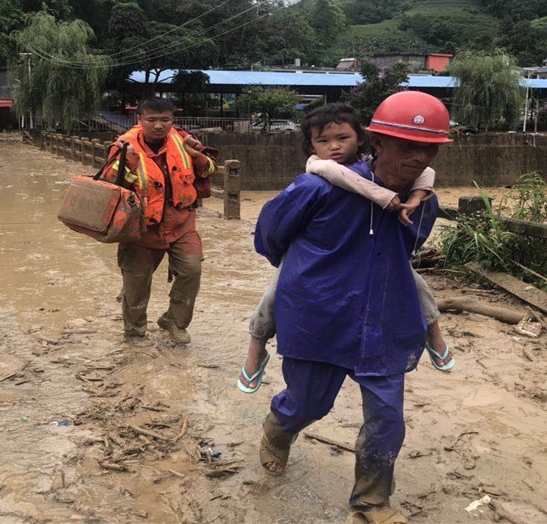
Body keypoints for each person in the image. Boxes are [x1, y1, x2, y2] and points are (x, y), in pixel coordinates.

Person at [254, 91, 451, 524]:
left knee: (386, 418)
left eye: (429, 148)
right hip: (318, 317)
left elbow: (408, 249)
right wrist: (312, 270)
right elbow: (268, 238)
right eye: (407, 145)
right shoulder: (316, 188)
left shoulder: (424, 203)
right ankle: (278, 430)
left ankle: (371, 502)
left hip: (385, 319)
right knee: (308, 404)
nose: (419, 157)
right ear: (377, 142)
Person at [237, 103, 453, 393]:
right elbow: (270, 234)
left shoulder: (390, 175)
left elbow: (425, 173)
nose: (334, 147)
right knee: (276, 291)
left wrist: (415, 197)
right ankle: (256, 346)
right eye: (323, 141)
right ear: (311, 146)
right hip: (314, 261)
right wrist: (300, 261)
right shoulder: (318, 174)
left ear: (363, 140)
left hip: (375, 260)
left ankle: (434, 334)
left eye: (343, 138)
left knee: (412, 282)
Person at [103, 98, 216, 347]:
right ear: (139, 120)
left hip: (181, 223)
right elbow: (110, 184)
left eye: (165, 120)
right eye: (151, 120)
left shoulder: (183, 141)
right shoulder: (123, 146)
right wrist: (127, 162)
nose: (158, 126)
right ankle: (135, 332)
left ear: (172, 121)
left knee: (191, 271)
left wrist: (197, 155)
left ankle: (174, 321)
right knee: (136, 282)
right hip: (140, 229)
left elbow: (209, 171)